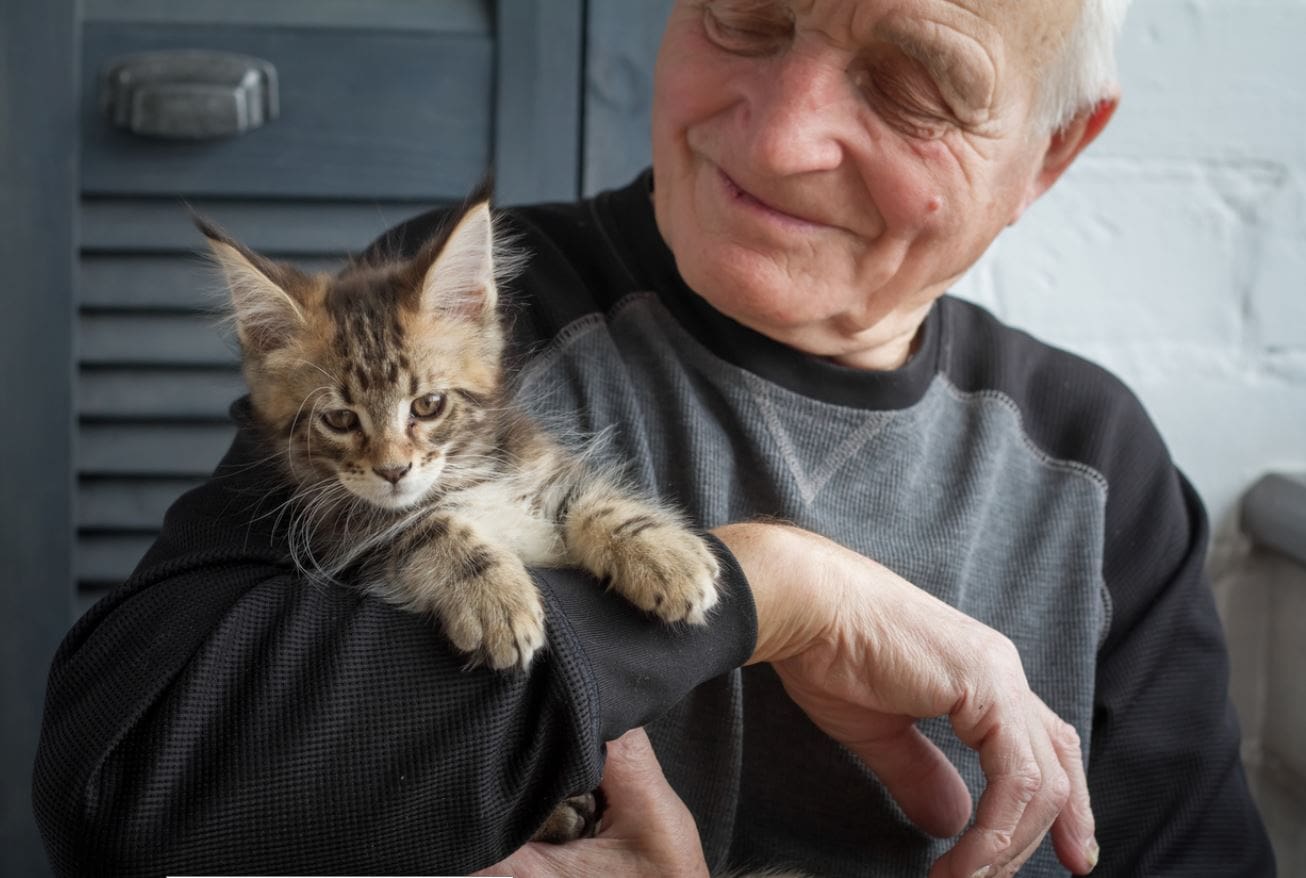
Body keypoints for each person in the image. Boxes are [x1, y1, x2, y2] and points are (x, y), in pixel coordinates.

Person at [33, 0, 1273, 875]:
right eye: (744, 13)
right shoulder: (451, 316)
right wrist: (764, 589)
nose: (780, 134)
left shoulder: (1097, 465)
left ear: (1052, 150)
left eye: (914, 86)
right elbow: (127, 787)